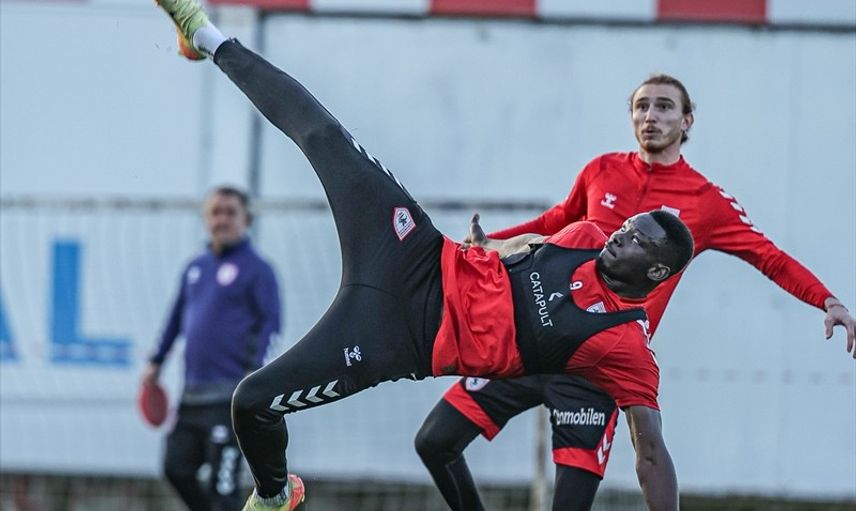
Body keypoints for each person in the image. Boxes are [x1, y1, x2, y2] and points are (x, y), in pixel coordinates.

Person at [155, 2, 698, 510]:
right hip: (414, 253)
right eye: (626, 226)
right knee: (325, 137)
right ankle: (205, 34)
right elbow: (531, 249)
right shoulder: (586, 236)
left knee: (251, 402)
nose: (619, 235)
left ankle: (274, 497)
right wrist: (491, 246)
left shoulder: (626, 347)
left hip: (398, 338)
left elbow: (651, 453)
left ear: (657, 271)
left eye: (637, 239)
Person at [414, 74, 856, 510]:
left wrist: (827, 300)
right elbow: (555, 223)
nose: (650, 116)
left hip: (593, 367)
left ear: (687, 121)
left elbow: (769, 256)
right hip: (531, 340)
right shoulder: (601, 170)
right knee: (435, 442)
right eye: (641, 106)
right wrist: (490, 242)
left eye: (664, 106)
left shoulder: (707, 200)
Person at [142, 186, 282, 511]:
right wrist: (156, 361)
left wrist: (255, 375)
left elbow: (270, 325)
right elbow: (175, 319)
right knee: (176, 468)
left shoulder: (258, 270)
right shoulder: (195, 267)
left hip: (229, 401)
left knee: (224, 489)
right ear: (206, 219)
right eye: (215, 212)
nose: (222, 219)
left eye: (230, 212)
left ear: (246, 219)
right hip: (191, 397)